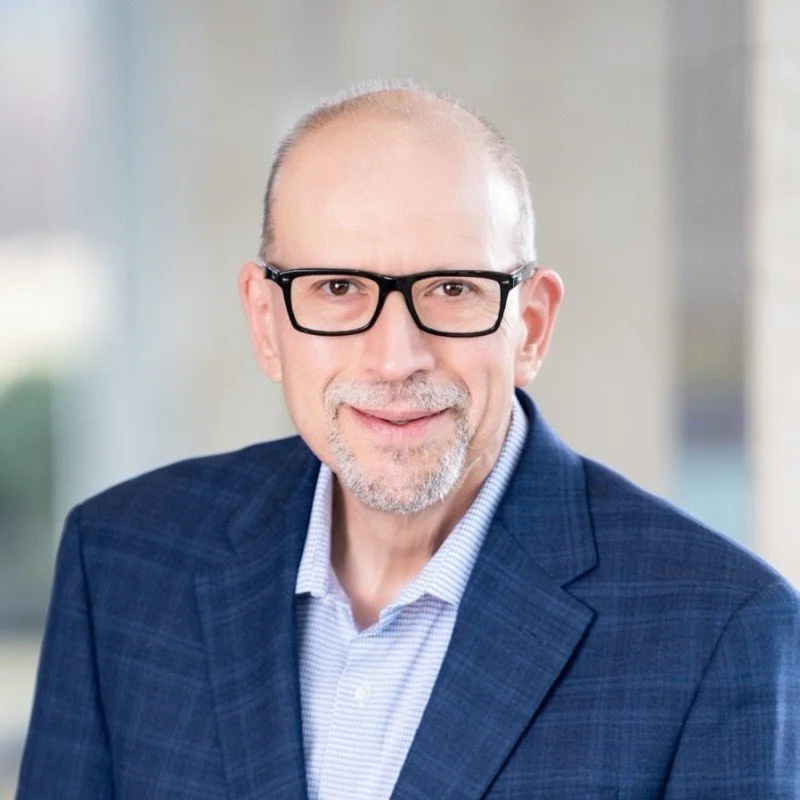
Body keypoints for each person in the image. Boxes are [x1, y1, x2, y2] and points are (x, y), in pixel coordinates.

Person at [17, 82, 800, 800]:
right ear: (266, 321)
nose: (396, 359)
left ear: (530, 325)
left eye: (453, 289)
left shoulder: (719, 630)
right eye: (337, 288)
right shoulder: (122, 563)